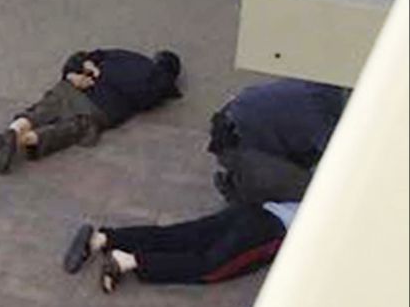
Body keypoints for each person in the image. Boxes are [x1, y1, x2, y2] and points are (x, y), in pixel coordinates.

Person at [0, 48, 182, 175]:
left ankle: (11, 132)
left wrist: (72, 73)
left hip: (75, 88)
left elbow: (82, 56)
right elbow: (147, 101)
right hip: (100, 109)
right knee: (64, 131)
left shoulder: (123, 55)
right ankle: (17, 142)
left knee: (41, 111)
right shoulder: (159, 81)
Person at [62, 201, 297, 293]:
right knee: (210, 267)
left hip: (262, 209)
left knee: (182, 235)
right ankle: (128, 261)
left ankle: (102, 239)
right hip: (273, 231)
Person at [208, 78, 348, 204]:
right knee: (315, 192)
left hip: (244, 127)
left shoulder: (330, 86)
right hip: (237, 142)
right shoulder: (318, 116)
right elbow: (343, 162)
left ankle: (244, 179)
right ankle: (241, 187)